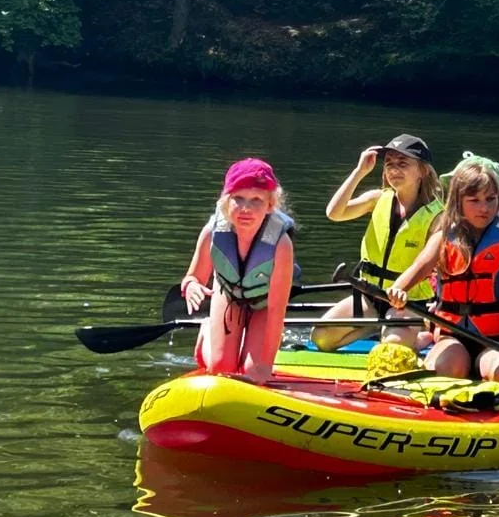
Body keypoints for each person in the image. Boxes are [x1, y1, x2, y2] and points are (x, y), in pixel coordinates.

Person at [386, 157, 499, 389]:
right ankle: (445, 358)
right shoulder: (444, 233)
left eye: (491, 200)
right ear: (458, 201)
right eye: (474, 200)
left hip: (493, 339)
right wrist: (398, 292)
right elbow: (416, 270)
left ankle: (484, 367)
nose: (484, 208)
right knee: (447, 372)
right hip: (452, 335)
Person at [318, 134, 442, 349]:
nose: (394, 170)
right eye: (389, 164)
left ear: (422, 170)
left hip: (409, 301)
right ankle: (375, 327)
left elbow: (426, 263)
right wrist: (360, 172)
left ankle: (421, 335)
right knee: (321, 338)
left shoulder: (438, 215)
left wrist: (402, 291)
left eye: (403, 164)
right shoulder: (377, 198)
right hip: (370, 295)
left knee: (392, 346)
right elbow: (334, 213)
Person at [181, 157, 295, 380]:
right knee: (221, 369)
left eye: (256, 200)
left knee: (253, 373)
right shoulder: (212, 233)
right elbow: (193, 276)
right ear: (226, 201)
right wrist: (191, 286)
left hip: (264, 305)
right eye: (238, 199)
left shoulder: (281, 245)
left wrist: (264, 367)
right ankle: (207, 331)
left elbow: (276, 310)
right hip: (229, 297)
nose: (246, 209)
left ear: (270, 205)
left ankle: (249, 355)